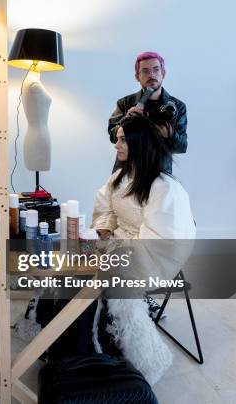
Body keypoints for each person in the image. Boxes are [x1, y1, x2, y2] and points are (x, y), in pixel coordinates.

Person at [94, 115, 195, 318]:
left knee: (92, 280)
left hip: (147, 259)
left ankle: (98, 334)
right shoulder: (118, 177)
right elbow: (106, 209)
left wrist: (114, 258)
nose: (116, 145)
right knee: (72, 265)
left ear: (138, 143)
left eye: (123, 139)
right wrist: (102, 234)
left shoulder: (165, 189)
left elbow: (163, 244)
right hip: (116, 245)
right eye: (118, 139)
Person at [108, 52, 187, 173]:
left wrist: (169, 134)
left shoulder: (177, 107)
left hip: (159, 174)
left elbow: (182, 147)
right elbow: (113, 137)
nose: (151, 75)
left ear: (163, 73)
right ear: (137, 76)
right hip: (126, 173)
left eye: (156, 70)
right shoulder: (124, 103)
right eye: (145, 71)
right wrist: (125, 122)